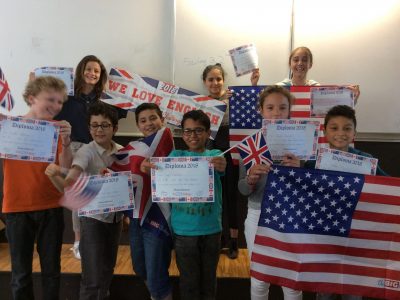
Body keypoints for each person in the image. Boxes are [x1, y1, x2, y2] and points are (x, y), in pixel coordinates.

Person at [304, 105, 387, 300]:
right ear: (324, 131)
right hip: (326, 236)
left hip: (356, 237)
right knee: (324, 291)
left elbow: (389, 186)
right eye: (334, 128)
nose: (340, 133)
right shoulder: (314, 162)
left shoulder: (366, 161)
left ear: (354, 132)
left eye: (347, 128)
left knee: (353, 290)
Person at [2, 76, 72, 300]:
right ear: (32, 98)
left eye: (60, 101)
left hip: (50, 206)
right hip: (16, 208)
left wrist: (68, 142)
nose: (56, 105)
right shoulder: (8, 126)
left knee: (52, 273)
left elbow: (66, 168)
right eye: (50, 99)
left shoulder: (57, 130)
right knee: (21, 274)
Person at [46, 102, 123, 299]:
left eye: (105, 125)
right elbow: (73, 176)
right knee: (92, 279)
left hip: (115, 220)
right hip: (92, 220)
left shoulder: (122, 152)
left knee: (107, 271)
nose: (99, 130)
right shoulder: (85, 152)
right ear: (89, 128)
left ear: (115, 128)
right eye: (94, 125)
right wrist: (61, 174)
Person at [54, 55, 127, 260]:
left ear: (101, 75)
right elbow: (50, 109)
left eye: (96, 71)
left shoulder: (106, 98)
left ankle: (104, 236)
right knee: (80, 193)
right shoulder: (68, 97)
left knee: (101, 192)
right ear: (81, 71)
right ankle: (78, 241)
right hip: (75, 147)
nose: (92, 73)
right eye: (88, 69)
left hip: (102, 148)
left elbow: (123, 111)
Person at [238, 86, 302, 300]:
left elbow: (312, 187)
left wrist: (301, 170)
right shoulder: (251, 144)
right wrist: (250, 179)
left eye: (282, 108)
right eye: (270, 107)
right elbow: (242, 189)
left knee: (292, 283)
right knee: (259, 280)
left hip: (293, 215)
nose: (276, 113)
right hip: (258, 215)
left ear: (290, 110)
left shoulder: (303, 141)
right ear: (260, 110)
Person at [168, 110, 226, 300]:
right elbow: (159, 173)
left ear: (208, 133)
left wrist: (220, 164)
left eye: (198, 130)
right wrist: (148, 166)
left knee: (209, 280)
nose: (193, 135)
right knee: (188, 281)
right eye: (188, 131)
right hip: (184, 231)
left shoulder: (215, 154)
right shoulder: (175, 156)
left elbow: (221, 164)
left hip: (211, 230)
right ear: (182, 134)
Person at [127, 103, 173, 300]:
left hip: (158, 216)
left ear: (161, 119)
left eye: (153, 118)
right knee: (140, 267)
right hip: (137, 217)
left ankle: (159, 294)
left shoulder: (168, 144)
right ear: (138, 125)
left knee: (156, 275)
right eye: (143, 120)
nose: (149, 123)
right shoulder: (132, 148)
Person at [202, 63, 239, 259]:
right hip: (210, 154)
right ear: (205, 82)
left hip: (232, 152)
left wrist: (251, 87)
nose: (215, 83)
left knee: (231, 198)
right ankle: (219, 239)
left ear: (223, 80)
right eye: (211, 79)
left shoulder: (233, 99)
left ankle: (233, 242)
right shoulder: (200, 103)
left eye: (218, 79)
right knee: (214, 197)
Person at [250, 46, 360, 101]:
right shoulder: (280, 88)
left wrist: (352, 97)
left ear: (310, 64)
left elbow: (333, 108)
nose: (300, 63)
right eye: (296, 59)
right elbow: (262, 104)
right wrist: (253, 86)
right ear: (290, 63)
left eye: (304, 60)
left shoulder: (317, 89)